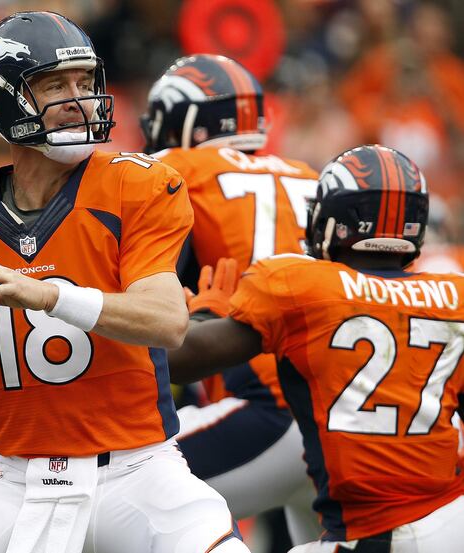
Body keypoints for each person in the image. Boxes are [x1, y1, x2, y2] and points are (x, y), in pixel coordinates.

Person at [0, 11, 250, 553]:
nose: (79, 99)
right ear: (3, 100)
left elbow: (166, 321)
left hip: (138, 470)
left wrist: (49, 294)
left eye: (86, 83)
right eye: (55, 85)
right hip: (14, 478)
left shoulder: (136, 185)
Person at [169, 144, 464, 552]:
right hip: (451, 521)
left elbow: (180, 363)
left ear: (333, 218)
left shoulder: (299, 285)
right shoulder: (455, 294)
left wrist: (203, 316)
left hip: (371, 534)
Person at [141, 53, 322, 545]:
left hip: (266, 407)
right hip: (339, 419)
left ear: (183, 121)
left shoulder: (175, 169)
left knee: (103, 498)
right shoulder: (313, 177)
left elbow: (142, 319)